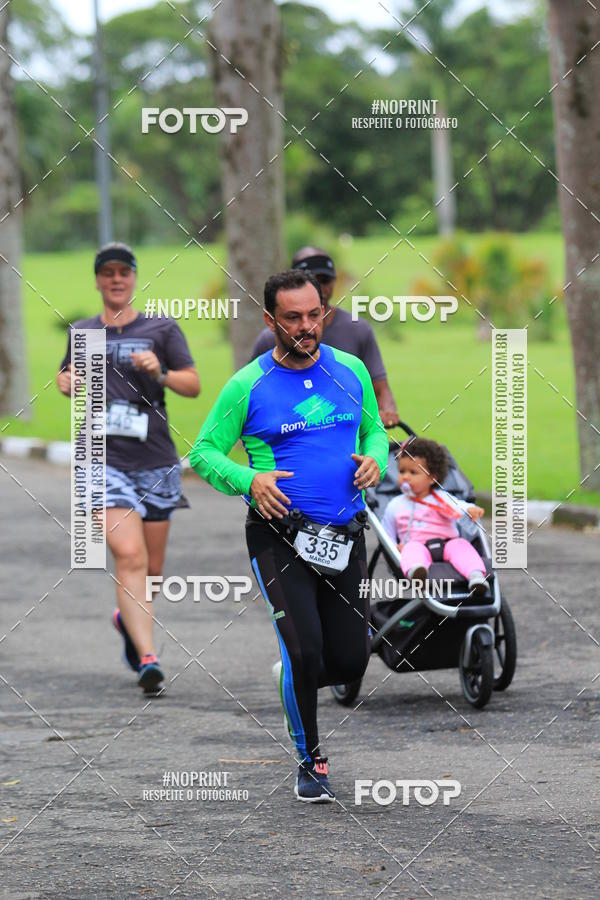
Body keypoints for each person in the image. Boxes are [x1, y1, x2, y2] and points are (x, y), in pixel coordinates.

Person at [190, 269, 388, 803]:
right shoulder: (246, 385)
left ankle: (294, 674)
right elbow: (203, 453)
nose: (306, 327)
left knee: (349, 660)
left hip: (344, 534)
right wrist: (247, 479)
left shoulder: (350, 369)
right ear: (270, 319)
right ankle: (310, 759)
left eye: (314, 315)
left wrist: (376, 457)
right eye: (293, 317)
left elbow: (372, 428)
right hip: (280, 538)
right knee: (305, 652)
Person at [56, 242, 200, 692]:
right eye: (108, 272)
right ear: (98, 280)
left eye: (124, 272)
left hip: (155, 461)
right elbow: (67, 378)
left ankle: (127, 618)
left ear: (134, 277)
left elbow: (192, 385)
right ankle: (149, 657)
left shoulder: (161, 328)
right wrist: (66, 382)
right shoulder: (83, 331)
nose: (116, 279)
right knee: (130, 556)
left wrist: (159, 372)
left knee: (152, 570)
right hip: (101, 460)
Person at [250, 246, 400, 427]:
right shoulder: (271, 338)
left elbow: (380, 390)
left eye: (325, 280)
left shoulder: (357, 330)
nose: (319, 287)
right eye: (312, 280)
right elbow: (249, 396)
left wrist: (387, 412)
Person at [382, 437, 487, 595]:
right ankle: (417, 572)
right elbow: (386, 531)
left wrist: (471, 510)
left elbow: (459, 506)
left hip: (447, 543)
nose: (405, 477)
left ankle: (476, 575)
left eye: (413, 472)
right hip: (417, 544)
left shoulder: (441, 498)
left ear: (432, 478)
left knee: (462, 546)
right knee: (411, 550)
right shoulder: (395, 505)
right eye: (402, 471)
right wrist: (394, 547)